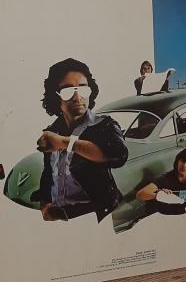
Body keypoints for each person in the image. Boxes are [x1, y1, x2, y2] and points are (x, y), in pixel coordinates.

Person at [35, 58, 129, 223]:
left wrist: (65, 142)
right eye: (68, 91)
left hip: (97, 217)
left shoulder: (105, 125)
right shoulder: (51, 131)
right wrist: (45, 202)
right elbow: (49, 172)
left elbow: (119, 155)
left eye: (83, 89)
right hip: (61, 218)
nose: (77, 97)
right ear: (55, 97)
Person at [135, 148, 186, 218]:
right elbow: (140, 194)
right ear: (177, 161)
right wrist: (159, 195)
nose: (185, 165)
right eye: (183, 161)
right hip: (163, 217)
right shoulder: (165, 178)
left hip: (182, 217)